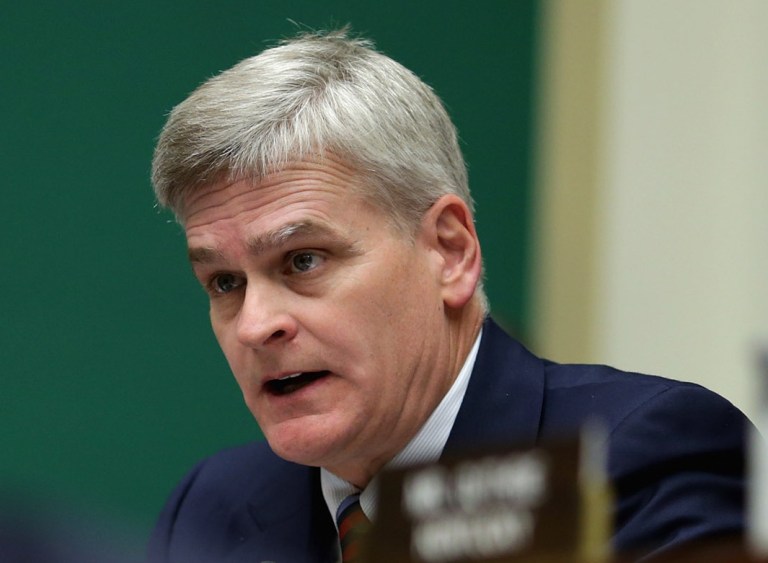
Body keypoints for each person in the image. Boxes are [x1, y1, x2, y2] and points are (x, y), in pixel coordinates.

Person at [146, 29, 749, 562]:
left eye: (303, 260)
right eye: (225, 283)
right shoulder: (212, 508)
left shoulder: (633, 463)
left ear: (450, 252)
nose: (254, 325)